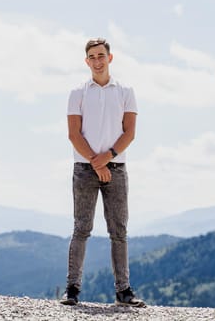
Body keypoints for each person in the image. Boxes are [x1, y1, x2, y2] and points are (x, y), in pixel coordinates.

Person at [60, 38, 145, 307]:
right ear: (87, 61)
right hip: (84, 169)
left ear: (110, 58)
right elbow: (74, 134)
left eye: (101, 55)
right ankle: (72, 290)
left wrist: (106, 160)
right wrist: (97, 164)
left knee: (118, 230)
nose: (97, 61)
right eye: (92, 57)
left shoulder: (125, 91)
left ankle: (124, 292)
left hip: (116, 168)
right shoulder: (77, 92)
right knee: (81, 228)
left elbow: (129, 132)